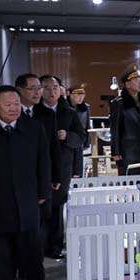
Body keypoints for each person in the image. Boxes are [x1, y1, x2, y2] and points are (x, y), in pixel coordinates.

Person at [0, 86, 51, 280]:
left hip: (27, 198)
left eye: (16, 103)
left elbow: (43, 162)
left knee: (31, 246)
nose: (14, 108)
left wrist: (43, 192)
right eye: (8, 104)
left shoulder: (33, 127)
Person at [40, 75, 85, 259]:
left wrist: (67, 136)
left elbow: (81, 139)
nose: (51, 92)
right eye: (47, 88)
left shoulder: (69, 113)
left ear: (60, 90)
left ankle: (55, 246)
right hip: (41, 166)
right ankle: (39, 245)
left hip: (63, 165)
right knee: (41, 205)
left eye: (55, 88)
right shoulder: (35, 112)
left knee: (57, 206)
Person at [16, 74, 61, 195]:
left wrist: (56, 176)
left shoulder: (47, 114)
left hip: (43, 173)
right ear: (19, 90)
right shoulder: (12, 113)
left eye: (39, 88)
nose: (37, 93)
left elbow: (53, 146)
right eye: (32, 88)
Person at [110, 66, 140, 174]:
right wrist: (116, 151)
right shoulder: (119, 103)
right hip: (128, 150)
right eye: (136, 80)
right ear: (127, 84)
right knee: (129, 179)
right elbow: (115, 129)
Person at [67, 84, 91, 177]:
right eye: (78, 94)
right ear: (70, 94)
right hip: (68, 139)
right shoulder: (65, 107)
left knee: (78, 167)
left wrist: (87, 142)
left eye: (83, 95)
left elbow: (87, 125)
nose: (81, 97)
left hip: (80, 139)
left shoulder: (86, 107)